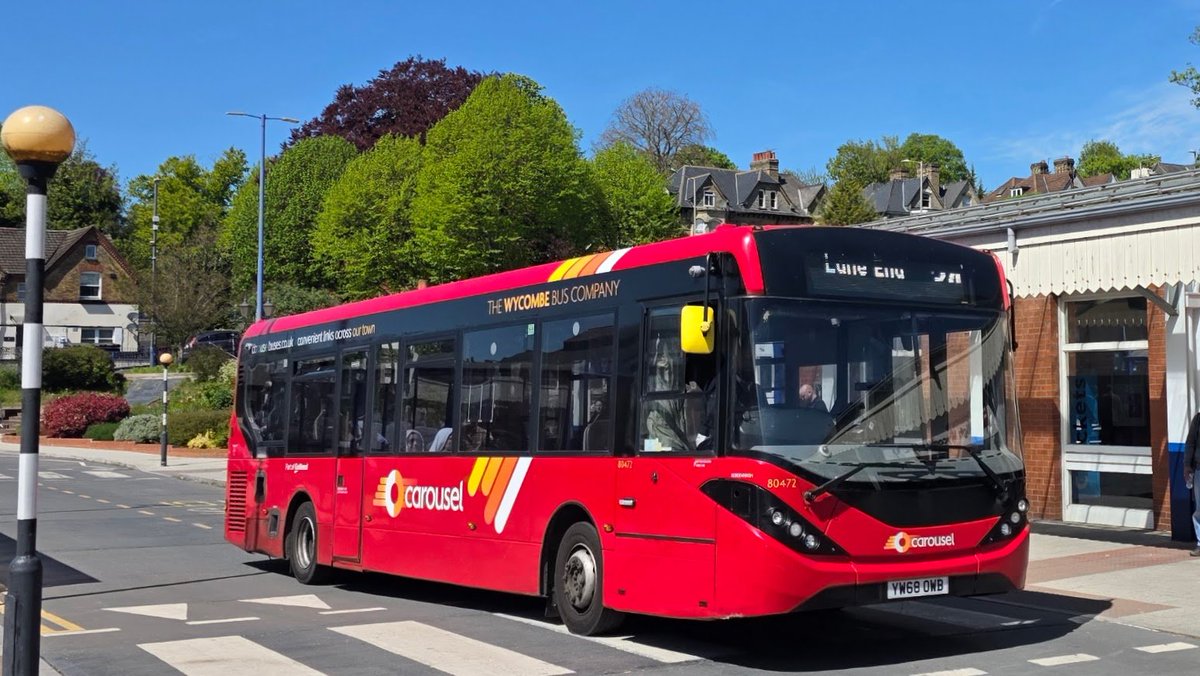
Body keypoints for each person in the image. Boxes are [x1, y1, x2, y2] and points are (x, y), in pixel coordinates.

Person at [1185, 411, 1200, 556]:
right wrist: (1187, 465)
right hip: (1199, 470)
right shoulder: (1198, 419)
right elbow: (1190, 443)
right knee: (1199, 509)